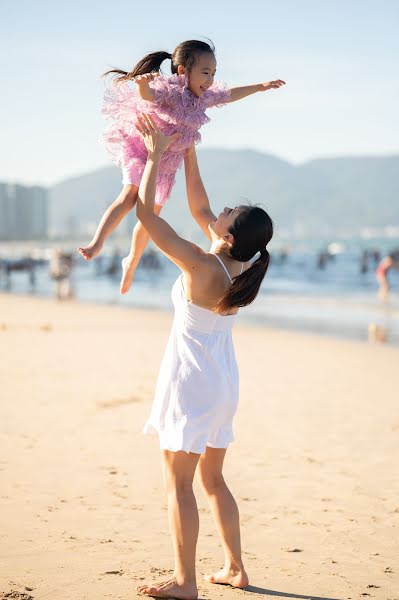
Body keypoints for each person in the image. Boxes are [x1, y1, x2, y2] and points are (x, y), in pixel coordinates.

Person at [134, 115, 273, 599]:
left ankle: (185, 582)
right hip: (223, 385)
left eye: (227, 213)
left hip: (191, 384)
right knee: (213, 479)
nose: (220, 210)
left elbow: (148, 219)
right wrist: (188, 148)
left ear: (227, 234)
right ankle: (235, 568)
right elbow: (200, 203)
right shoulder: (239, 265)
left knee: (179, 484)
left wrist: (153, 158)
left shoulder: (201, 263)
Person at [77, 39, 284, 295]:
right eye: (205, 73)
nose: (210, 80)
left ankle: (132, 259)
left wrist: (260, 87)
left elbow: (230, 95)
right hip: (145, 151)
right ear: (183, 72)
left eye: (214, 73)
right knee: (130, 196)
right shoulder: (172, 90)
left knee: (151, 215)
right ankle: (97, 243)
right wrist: (142, 86)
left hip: (166, 162)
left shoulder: (205, 97)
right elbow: (150, 95)